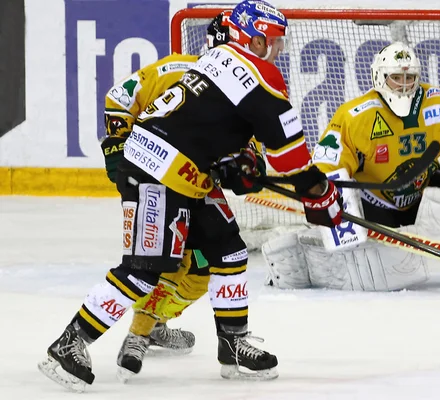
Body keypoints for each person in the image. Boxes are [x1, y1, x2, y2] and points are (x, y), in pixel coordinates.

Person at [37, 0, 343, 392]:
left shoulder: (216, 58)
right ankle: (71, 341)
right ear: (251, 36)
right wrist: (320, 197)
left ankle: (232, 343)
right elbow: (293, 160)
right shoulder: (258, 76)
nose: (277, 50)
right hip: (158, 171)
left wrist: (235, 162)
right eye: (272, 41)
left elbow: (205, 126)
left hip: (184, 172)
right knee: (145, 269)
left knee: (229, 250)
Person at [262, 42, 440, 291]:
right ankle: (304, 257)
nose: (403, 86)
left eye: (409, 78)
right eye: (395, 79)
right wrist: (335, 213)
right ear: (379, 77)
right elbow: (328, 168)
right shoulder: (354, 116)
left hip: (422, 193)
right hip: (374, 202)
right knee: (366, 258)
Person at [100, 10, 231, 361]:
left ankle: (153, 322)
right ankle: (137, 333)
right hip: (157, 180)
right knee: (166, 264)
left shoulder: (245, 92)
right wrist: (118, 144)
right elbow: (120, 97)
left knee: (203, 270)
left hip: (198, 185)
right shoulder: (175, 69)